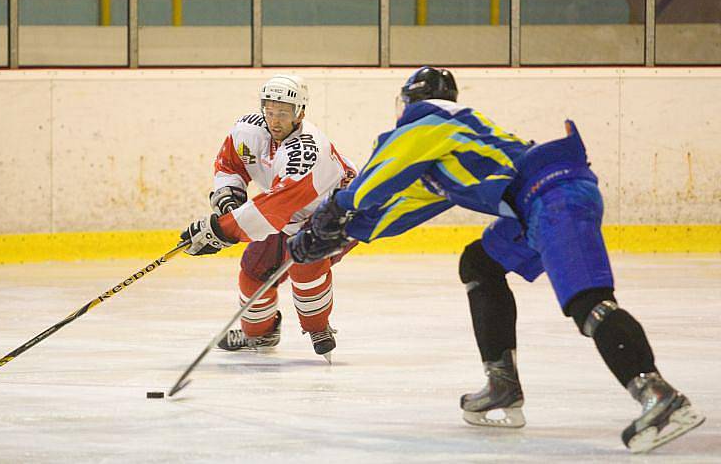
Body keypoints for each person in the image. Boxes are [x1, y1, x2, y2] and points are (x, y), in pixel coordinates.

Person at [287, 66, 705, 452]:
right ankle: (502, 384)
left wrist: (337, 209)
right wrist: (342, 234)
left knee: (587, 302)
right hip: (534, 202)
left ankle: (657, 395)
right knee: (480, 263)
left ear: (409, 100)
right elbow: (402, 207)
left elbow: (379, 176)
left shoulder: (429, 122)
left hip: (553, 196)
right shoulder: (448, 142)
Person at [179, 74, 356, 362]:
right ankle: (259, 332)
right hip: (284, 212)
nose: (274, 121)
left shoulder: (307, 150)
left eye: (283, 114)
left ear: (300, 113)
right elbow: (230, 162)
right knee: (253, 272)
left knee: (305, 264)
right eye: (270, 111)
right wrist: (229, 194)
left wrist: (222, 231)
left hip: (335, 212)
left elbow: (274, 209)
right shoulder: (248, 130)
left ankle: (317, 327)